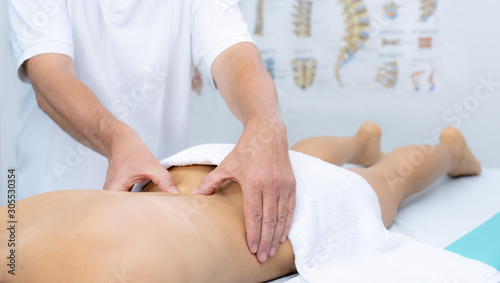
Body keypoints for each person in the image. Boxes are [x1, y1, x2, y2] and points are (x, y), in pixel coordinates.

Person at [0, 123, 484, 282]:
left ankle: (448, 150)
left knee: (387, 181)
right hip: (192, 174)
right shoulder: (12, 232)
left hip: (284, 211)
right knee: (299, 163)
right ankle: (361, 141)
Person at [8, 0, 296, 261]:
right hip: (52, 196)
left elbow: (234, 55)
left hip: (152, 210)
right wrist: (117, 140)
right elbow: (49, 75)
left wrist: (265, 123)